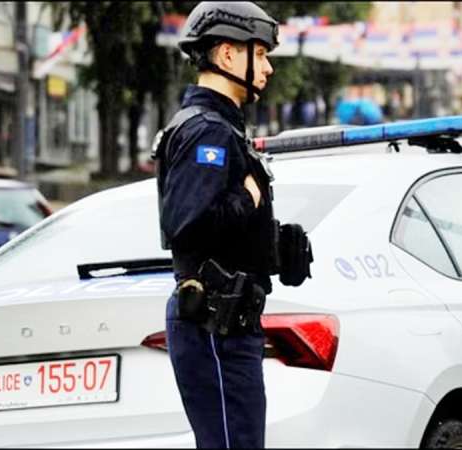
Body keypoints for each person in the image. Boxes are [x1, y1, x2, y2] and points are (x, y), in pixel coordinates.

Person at [150, 2, 286, 448]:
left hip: (228, 323)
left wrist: (277, 245)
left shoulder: (220, 127)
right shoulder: (208, 131)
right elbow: (188, 224)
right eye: (259, 54)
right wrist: (248, 198)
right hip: (214, 324)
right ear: (228, 54)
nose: (267, 67)